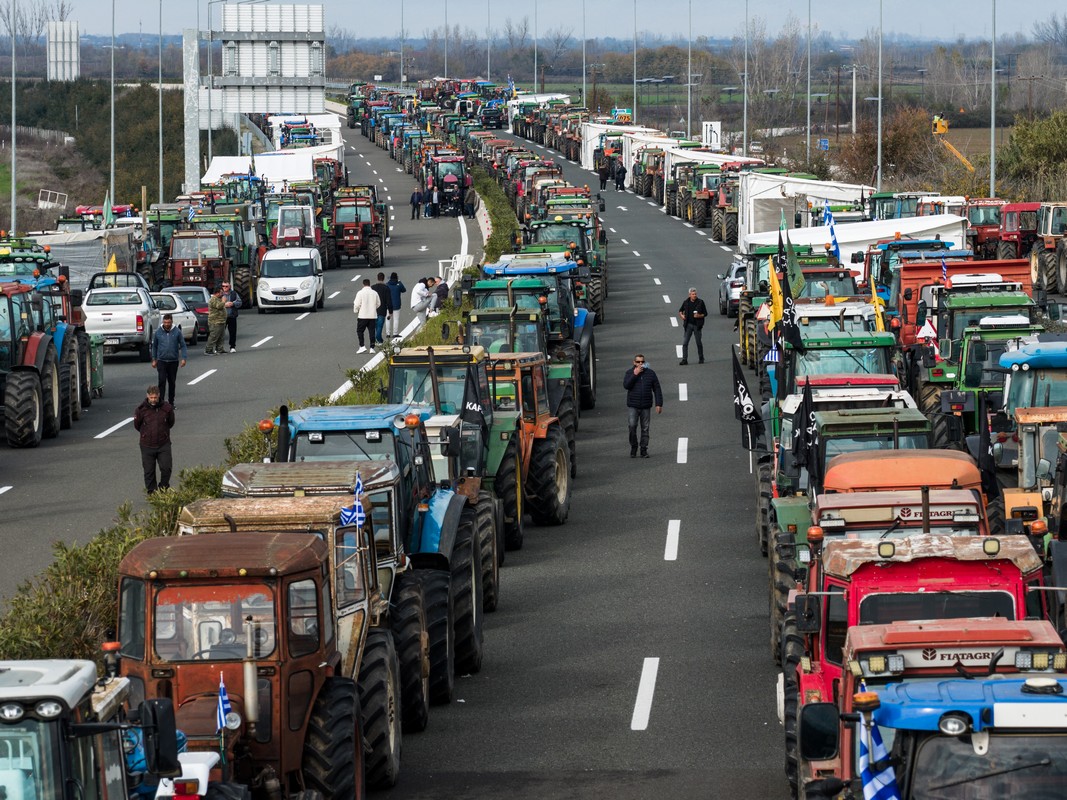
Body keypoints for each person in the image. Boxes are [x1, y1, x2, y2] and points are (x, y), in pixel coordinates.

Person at [133, 385, 175, 494]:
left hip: (163, 444)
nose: (153, 400)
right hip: (147, 445)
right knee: (149, 471)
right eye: (151, 398)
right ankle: (152, 492)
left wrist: (164, 433)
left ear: (159, 396)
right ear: (147, 396)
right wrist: (146, 435)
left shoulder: (167, 408)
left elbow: (171, 422)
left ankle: (163, 487)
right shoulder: (141, 410)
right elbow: (137, 425)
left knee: (166, 468)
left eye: (155, 397)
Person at [623, 354, 663, 458]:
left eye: (642, 362)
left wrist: (659, 404)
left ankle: (643, 449)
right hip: (633, 405)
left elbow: (657, 389)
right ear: (634, 362)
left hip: (646, 405)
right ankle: (634, 447)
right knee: (632, 426)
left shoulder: (650, 374)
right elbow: (626, 385)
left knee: (645, 428)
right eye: (638, 362)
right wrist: (635, 374)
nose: (640, 364)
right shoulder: (629, 373)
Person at [151, 314, 188, 407]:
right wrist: (154, 359)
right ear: (163, 322)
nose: (167, 324)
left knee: (172, 382)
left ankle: (171, 402)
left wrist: (184, 358)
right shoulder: (158, 332)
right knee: (162, 381)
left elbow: (183, 345)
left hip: (173, 361)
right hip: (161, 361)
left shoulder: (177, 331)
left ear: (171, 322)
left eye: (168, 322)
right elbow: (154, 346)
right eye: (165, 322)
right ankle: (161, 402)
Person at [677, 287, 709, 365]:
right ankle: (684, 359)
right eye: (692, 294)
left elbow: (705, 313)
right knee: (685, 343)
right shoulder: (686, 302)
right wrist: (681, 316)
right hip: (688, 325)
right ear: (689, 295)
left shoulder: (700, 302)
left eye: (695, 294)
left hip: (697, 326)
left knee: (698, 342)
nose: (694, 295)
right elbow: (680, 311)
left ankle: (701, 358)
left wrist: (699, 315)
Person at [353, 277, 380, 353]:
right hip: (372, 315)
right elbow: (378, 303)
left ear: (363, 284)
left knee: (360, 331)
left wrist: (356, 310)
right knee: (372, 332)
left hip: (362, 315)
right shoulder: (374, 293)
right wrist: (374, 308)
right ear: (369, 284)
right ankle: (372, 347)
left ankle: (362, 346)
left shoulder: (360, 293)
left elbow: (357, 304)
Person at [205, 285, 227, 355]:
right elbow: (219, 306)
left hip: (221, 321)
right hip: (215, 321)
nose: (222, 294)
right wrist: (224, 302)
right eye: (221, 293)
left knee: (221, 336)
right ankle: (208, 350)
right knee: (214, 336)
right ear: (217, 293)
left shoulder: (218, 299)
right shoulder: (213, 299)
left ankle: (220, 349)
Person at [372, 272, 393, 346]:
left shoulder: (373, 287)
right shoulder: (386, 288)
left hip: (373, 310)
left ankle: (375, 340)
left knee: (375, 326)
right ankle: (379, 339)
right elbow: (389, 301)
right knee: (380, 326)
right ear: (383, 278)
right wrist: (390, 311)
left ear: (377, 278)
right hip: (382, 310)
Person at [222, 280, 242, 352]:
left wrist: (233, 304)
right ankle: (219, 347)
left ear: (229, 286)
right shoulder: (220, 294)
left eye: (226, 286)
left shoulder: (234, 293)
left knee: (232, 332)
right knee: (220, 333)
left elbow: (240, 302)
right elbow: (214, 303)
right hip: (222, 317)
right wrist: (224, 305)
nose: (224, 287)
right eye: (223, 286)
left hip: (232, 315)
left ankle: (232, 347)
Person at [387, 272, 407, 338]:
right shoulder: (398, 284)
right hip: (396, 304)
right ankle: (395, 333)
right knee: (396, 319)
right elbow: (404, 290)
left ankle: (388, 333)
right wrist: (400, 282)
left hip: (388, 304)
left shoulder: (387, 284)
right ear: (397, 277)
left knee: (388, 319)